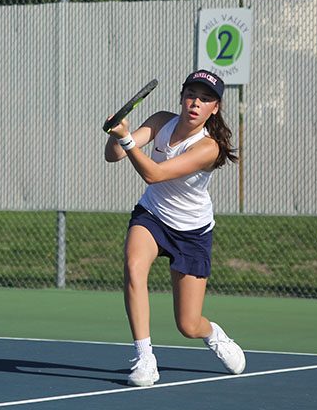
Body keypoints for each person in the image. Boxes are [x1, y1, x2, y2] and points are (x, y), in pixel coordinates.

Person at [104, 69, 245, 387]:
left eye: (206, 99)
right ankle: (144, 358)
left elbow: (154, 174)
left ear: (215, 108)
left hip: (192, 233)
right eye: (192, 95)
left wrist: (126, 139)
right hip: (152, 216)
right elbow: (113, 156)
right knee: (133, 266)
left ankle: (213, 334)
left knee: (188, 324)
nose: (196, 103)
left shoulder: (209, 148)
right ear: (182, 97)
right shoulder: (160, 121)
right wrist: (117, 136)